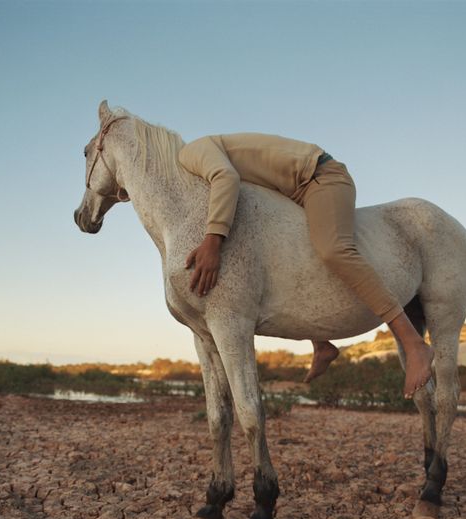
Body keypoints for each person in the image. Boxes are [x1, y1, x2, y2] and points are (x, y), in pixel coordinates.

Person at [178, 133, 433, 396]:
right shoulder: (195, 164)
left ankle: (414, 344)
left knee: (334, 249)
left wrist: (213, 241)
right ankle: (322, 345)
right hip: (291, 193)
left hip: (320, 176)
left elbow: (225, 176)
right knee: (294, 257)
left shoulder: (189, 153)